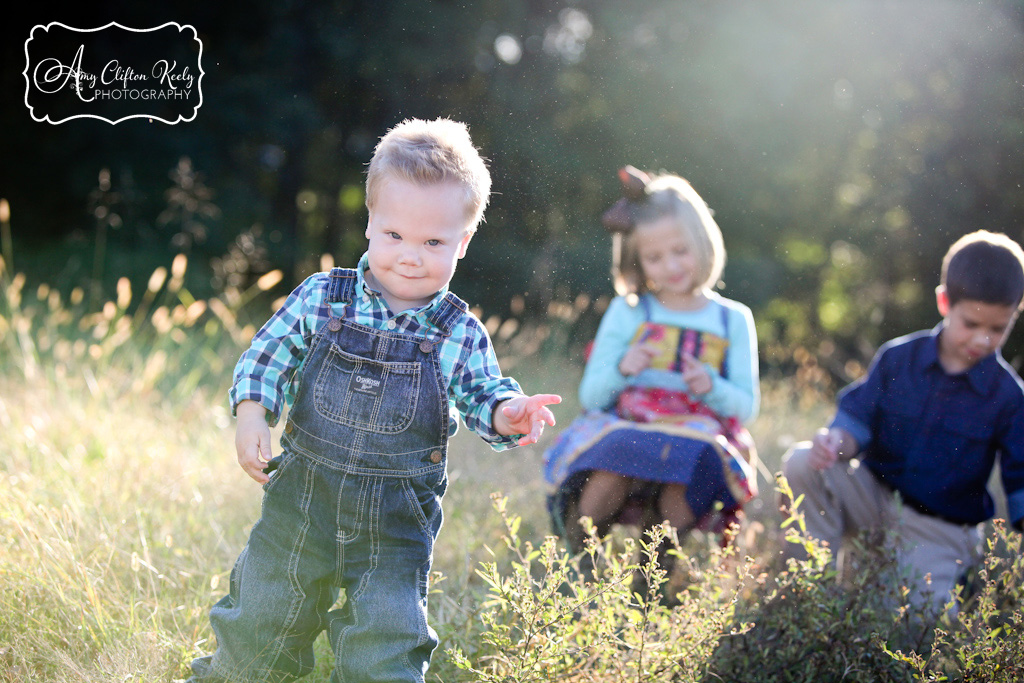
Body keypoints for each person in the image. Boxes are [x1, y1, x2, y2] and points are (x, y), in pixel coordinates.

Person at [188, 117, 561, 683]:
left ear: (463, 242)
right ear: (370, 225)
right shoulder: (323, 297)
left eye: (433, 242)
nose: (410, 256)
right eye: (395, 236)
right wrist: (251, 415)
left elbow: (483, 393)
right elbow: (267, 356)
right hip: (302, 499)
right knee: (261, 619)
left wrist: (508, 412)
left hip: (396, 518)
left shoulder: (457, 331)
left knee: (384, 644)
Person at [781, 230, 1024, 613]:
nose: (981, 339)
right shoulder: (898, 359)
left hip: (940, 529)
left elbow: (1020, 476)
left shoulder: (1008, 396)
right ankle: (809, 595)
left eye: (997, 329)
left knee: (916, 624)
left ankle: (908, 585)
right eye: (971, 324)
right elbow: (856, 420)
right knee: (800, 462)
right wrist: (835, 442)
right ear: (945, 302)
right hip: (874, 499)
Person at [543, 167, 759, 583]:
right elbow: (592, 395)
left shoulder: (732, 318)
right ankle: (578, 564)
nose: (671, 265)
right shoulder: (630, 311)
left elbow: (746, 407)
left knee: (691, 462)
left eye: (680, 250)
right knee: (614, 460)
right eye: (654, 257)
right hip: (631, 423)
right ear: (636, 260)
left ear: (703, 242)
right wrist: (624, 369)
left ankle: (652, 576)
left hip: (696, 430)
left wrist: (712, 387)